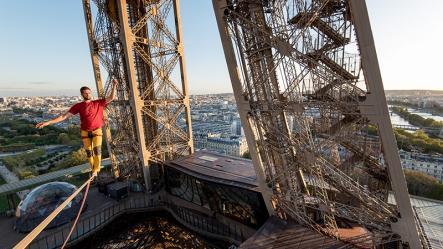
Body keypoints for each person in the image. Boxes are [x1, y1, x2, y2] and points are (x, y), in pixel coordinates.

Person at [36, 79, 117, 177]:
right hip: (85, 131)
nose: (88, 95)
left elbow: (111, 97)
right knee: (89, 153)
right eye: (85, 93)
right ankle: (93, 169)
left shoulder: (98, 103)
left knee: (97, 150)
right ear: (82, 94)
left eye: (89, 93)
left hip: (97, 130)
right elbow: (64, 117)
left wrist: (114, 86)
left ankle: (96, 169)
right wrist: (47, 123)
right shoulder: (78, 106)